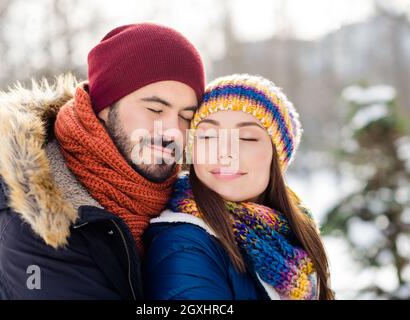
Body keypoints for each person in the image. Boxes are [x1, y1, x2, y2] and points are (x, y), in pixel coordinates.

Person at [0, 22, 205, 299]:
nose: (173, 131)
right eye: (155, 108)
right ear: (104, 107)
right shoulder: (37, 233)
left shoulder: (185, 204)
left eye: (186, 116)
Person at [144, 74, 335, 300]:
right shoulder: (184, 244)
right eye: (208, 136)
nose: (225, 152)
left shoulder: (295, 232)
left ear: (276, 158)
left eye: (247, 138)